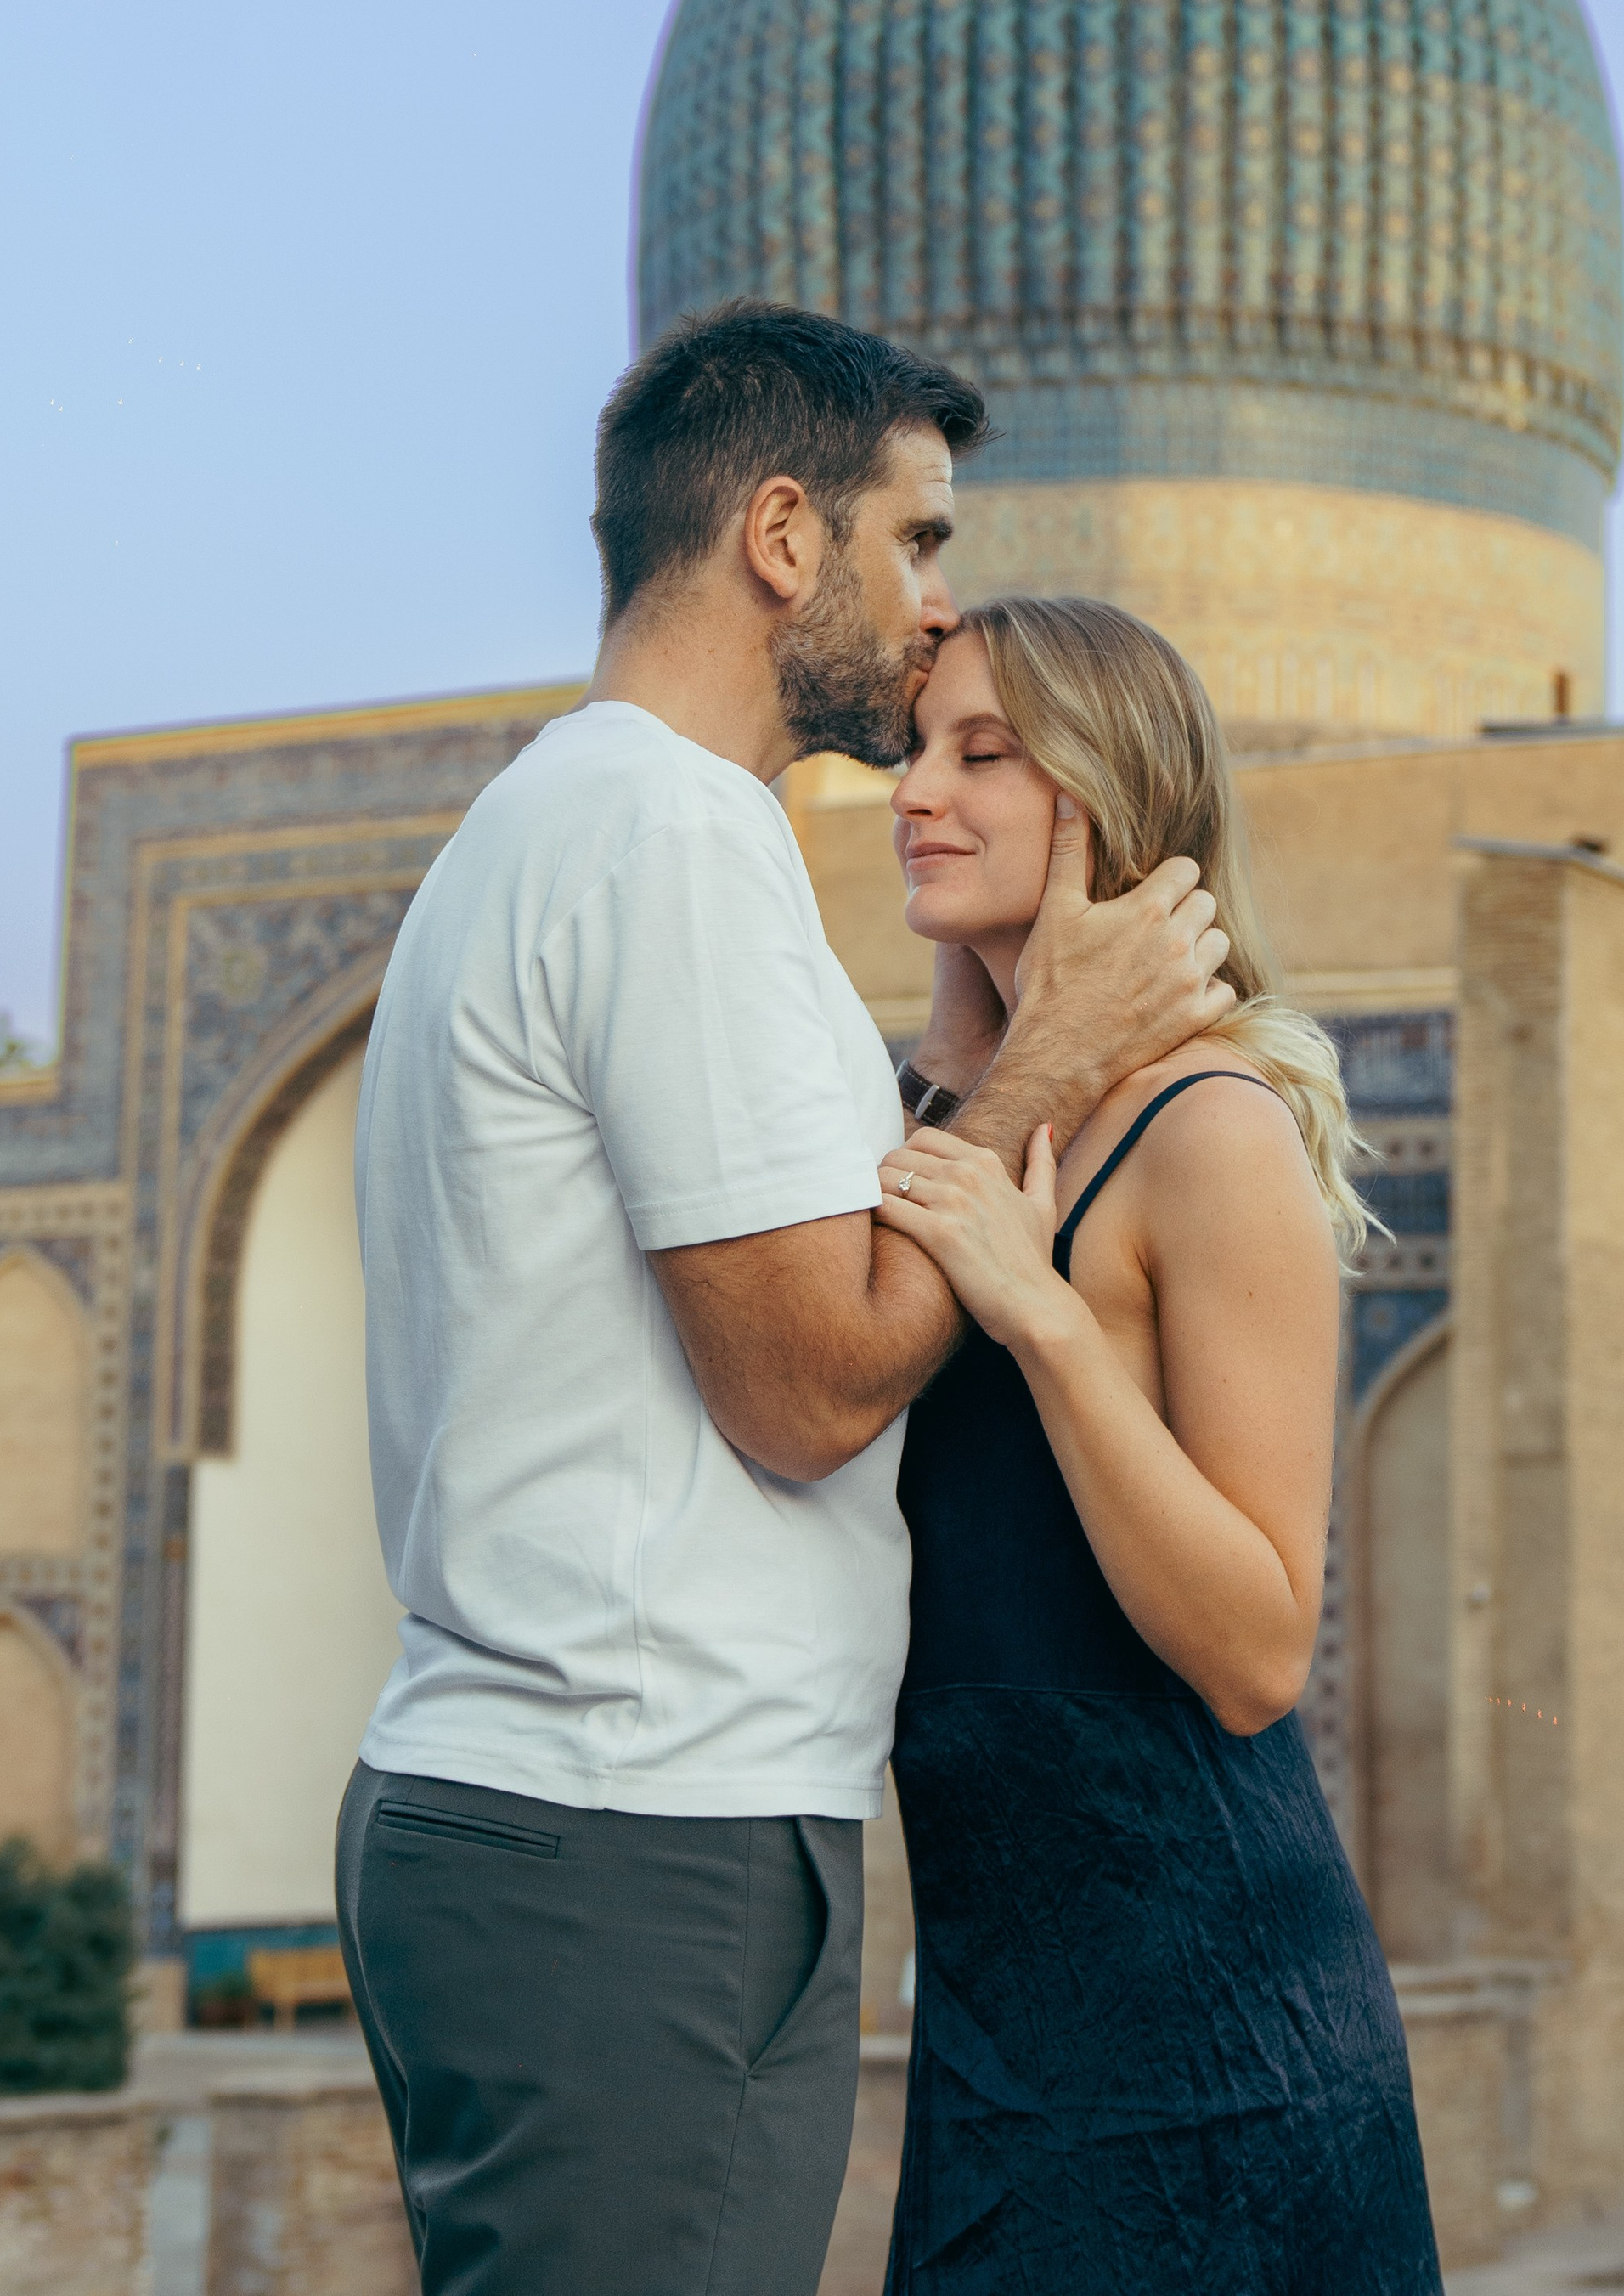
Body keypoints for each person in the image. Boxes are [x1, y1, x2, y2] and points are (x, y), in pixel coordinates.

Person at [335, 305, 1236, 2296]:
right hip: (636, 1836)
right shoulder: (670, 839)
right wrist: (1049, 1061)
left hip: (572, 1817)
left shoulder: (550, 824)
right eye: (914, 543)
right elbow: (809, 1383)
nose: (936, 611)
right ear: (775, 533)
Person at [873, 594, 1443, 2295]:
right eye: (913, 745)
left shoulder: (1212, 1129)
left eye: (983, 753)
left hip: (1211, 2025)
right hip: (994, 2015)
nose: (915, 788)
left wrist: (1041, 1320)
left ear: (1103, 803)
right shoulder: (933, 1128)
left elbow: (1261, 1644)